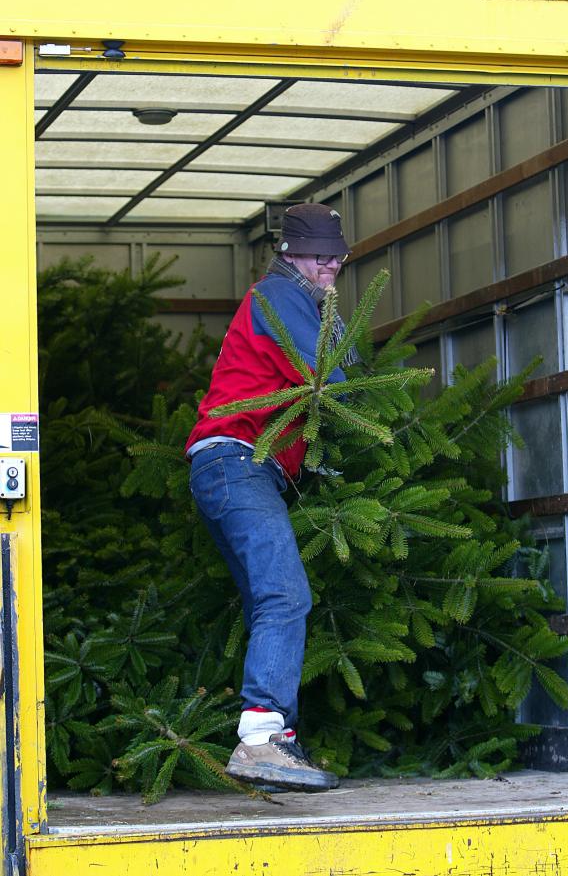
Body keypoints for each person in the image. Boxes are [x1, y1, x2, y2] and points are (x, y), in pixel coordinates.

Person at [185, 203, 355, 792]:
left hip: (231, 467)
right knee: (286, 594)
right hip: (237, 460)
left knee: (268, 600)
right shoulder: (280, 297)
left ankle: (275, 740)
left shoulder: (299, 297)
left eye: (338, 253)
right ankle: (260, 740)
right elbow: (332, 381)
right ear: (290, 255)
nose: (331, 263)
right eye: (319, 254)